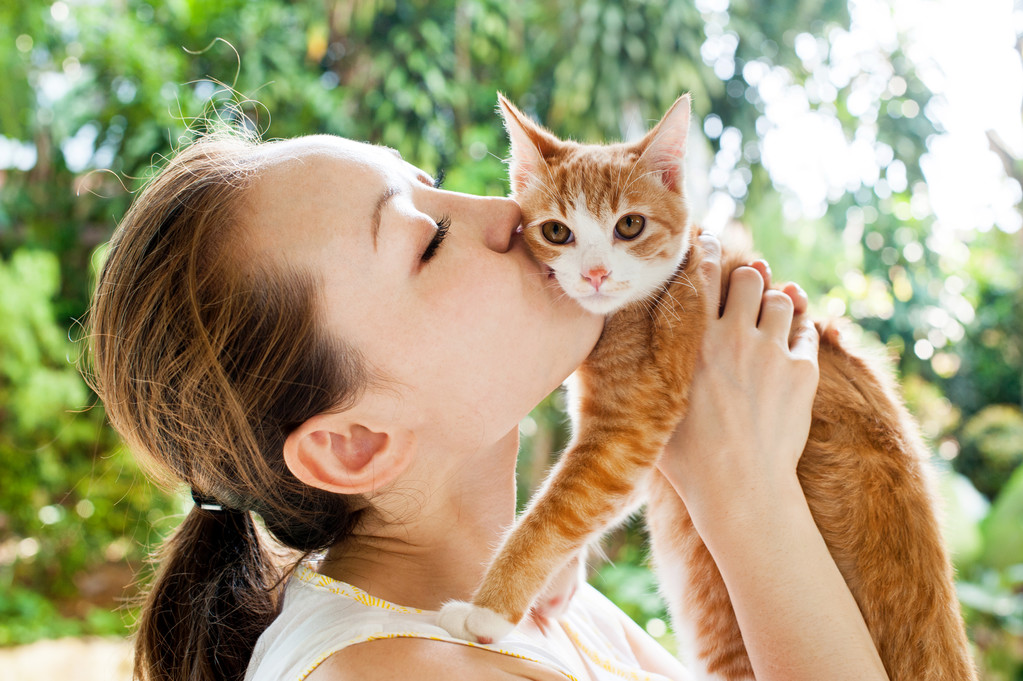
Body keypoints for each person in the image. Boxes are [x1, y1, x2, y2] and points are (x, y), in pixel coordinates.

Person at [86, 129, 890, 681]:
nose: (509, 214)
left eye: (435, 185)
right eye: (429, 238)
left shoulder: (532, 610)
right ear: (357, 443)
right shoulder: (393, 672)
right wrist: (746, 494)